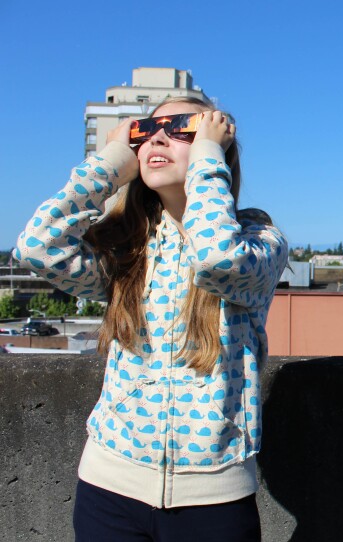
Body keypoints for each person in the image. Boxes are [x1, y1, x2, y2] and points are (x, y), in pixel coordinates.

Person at [15, 96, 289, 541]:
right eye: (145, 131)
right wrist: (109, 164)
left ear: (215, 146)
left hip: (214, 498)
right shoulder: (127, 247)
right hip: (108, 489)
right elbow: (36, 247)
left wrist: (207, 159)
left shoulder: (258, 240)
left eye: (182, 128)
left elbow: (216, 258)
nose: (158, 138)